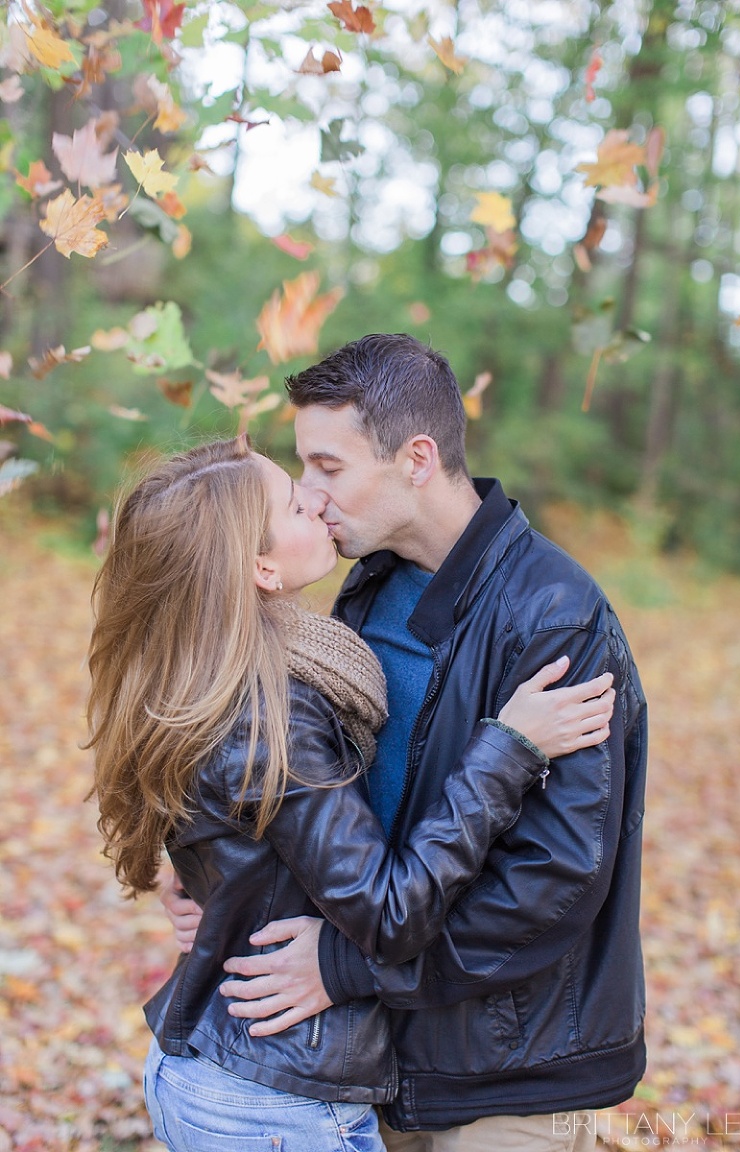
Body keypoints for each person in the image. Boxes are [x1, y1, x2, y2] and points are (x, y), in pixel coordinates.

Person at [167, 333, 649, 1152]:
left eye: (328, 466)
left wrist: (347, 968)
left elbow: (556, 881)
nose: (310, 495)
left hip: (505, 1066)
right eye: (303, 469)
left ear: (417, 459)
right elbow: (325, 795)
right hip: (371, 1053)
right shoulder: (371, 582)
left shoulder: (554, 616)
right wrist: (212, 879)